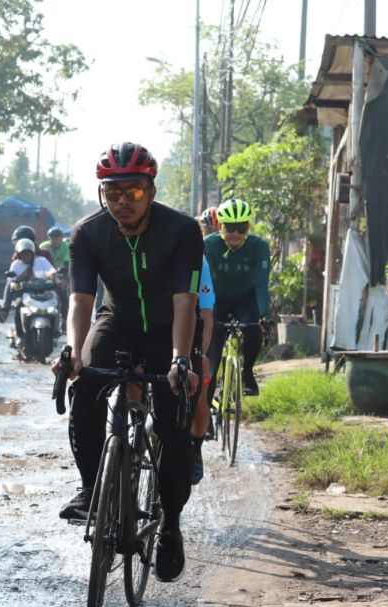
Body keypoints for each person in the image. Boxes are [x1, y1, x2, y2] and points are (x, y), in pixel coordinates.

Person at [54, 142, 203, 583]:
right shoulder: (87, 232)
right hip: (116, 320)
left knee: (174, 426)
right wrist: (74, 353)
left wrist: (180, 360)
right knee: (84, 389)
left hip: (167, 329)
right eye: (112, 193)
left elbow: (186, 301)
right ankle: (90, 490)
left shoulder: (182, 231)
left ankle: (171, 525)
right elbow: (80, 301)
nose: (122, 202)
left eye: (133, 193)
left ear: (152, 192)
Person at [204, 198, 271, 396]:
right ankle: (205, 418)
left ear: (248, 227)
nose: (235, 234)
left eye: (241, 229)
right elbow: (203, 283)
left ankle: (247, 372)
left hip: (245, 299)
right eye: (230, 228)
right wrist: (200, 311)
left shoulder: (259, 247)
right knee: (211, 363)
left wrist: (264, 314)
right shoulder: (208, 245)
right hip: (216, 300)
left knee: (252, 326)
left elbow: (261, 282)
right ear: (221, 225)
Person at [189, 233, 217, 484]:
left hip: (190, 326)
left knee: (198, 396)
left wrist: (203, 353)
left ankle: (195, 449)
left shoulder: (199, 263)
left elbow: (206, 312)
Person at [0, 238, 56, 324]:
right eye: (23, 254)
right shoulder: (16, 264)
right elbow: (12, 281)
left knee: (57, 300)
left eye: (28, 254)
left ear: (32, 254)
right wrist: (18, 281)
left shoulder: (41, 260)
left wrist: (54, 278)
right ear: (19, 255)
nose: (26, 257)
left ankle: (64, 319)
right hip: (24, 293)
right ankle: (5, 312)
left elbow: (51, 272)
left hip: (44, 292)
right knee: (18, 305)